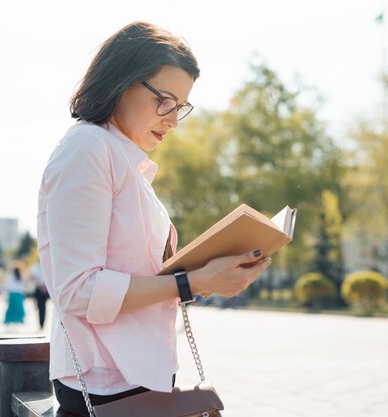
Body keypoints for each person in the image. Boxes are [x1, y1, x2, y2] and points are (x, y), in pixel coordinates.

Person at [37, 21, 271, 416]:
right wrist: (189, 282)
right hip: (107, 384)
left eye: (180, 106)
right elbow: (77, 290)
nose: (173, 120)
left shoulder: (122, 159)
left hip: (136, 378)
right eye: (165, 100)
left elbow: (133, 275)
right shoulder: (87, 149)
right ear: (122, 81)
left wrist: (206, 276)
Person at [30, 262, 49, 330]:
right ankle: (41, 323)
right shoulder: (38, 267)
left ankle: (42, 323)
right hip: (42, 289)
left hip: (43, 288)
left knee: (42, 307)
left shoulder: (37, 267)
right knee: (42, 307)